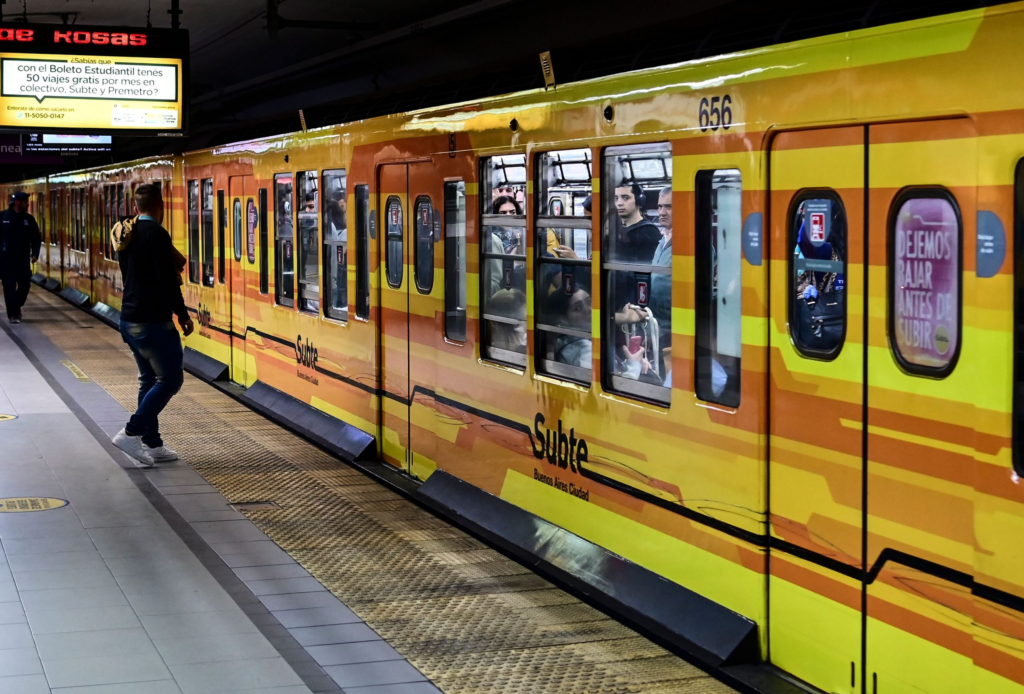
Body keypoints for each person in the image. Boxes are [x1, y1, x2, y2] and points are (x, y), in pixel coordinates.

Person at [112, 184, 194, 467]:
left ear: (136, 207)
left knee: (148, 381)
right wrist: (182, 314)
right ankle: (131, 432)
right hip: (152, 321)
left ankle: (152, 442)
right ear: (162, 206)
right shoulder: (156, 233)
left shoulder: (126, 232)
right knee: (171, 380)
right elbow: (167, 280)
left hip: (128, 319)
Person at [0, 192, 41, 324]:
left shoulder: (29, 220)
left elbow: (36, 238)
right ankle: (12, 314)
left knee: (25, 285)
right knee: (9, 287)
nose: (28, 204)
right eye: (25, 202)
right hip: (6, 260)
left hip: (23, 260)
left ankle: (16, 305)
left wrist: (35, 253)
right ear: (17, 203)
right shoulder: (2, 217)